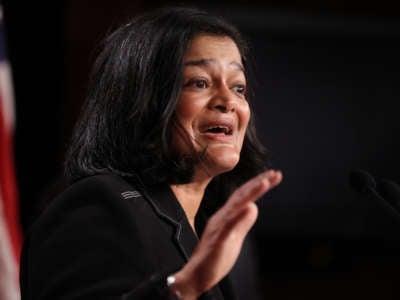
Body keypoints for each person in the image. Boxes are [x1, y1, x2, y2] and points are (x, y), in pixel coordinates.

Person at [19, 6, 282, 300]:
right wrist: (185, 288)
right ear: (142, 99)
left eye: (238, 87)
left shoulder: (216, 228)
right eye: (200, 83)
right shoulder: (98, 206)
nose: (228, 101)